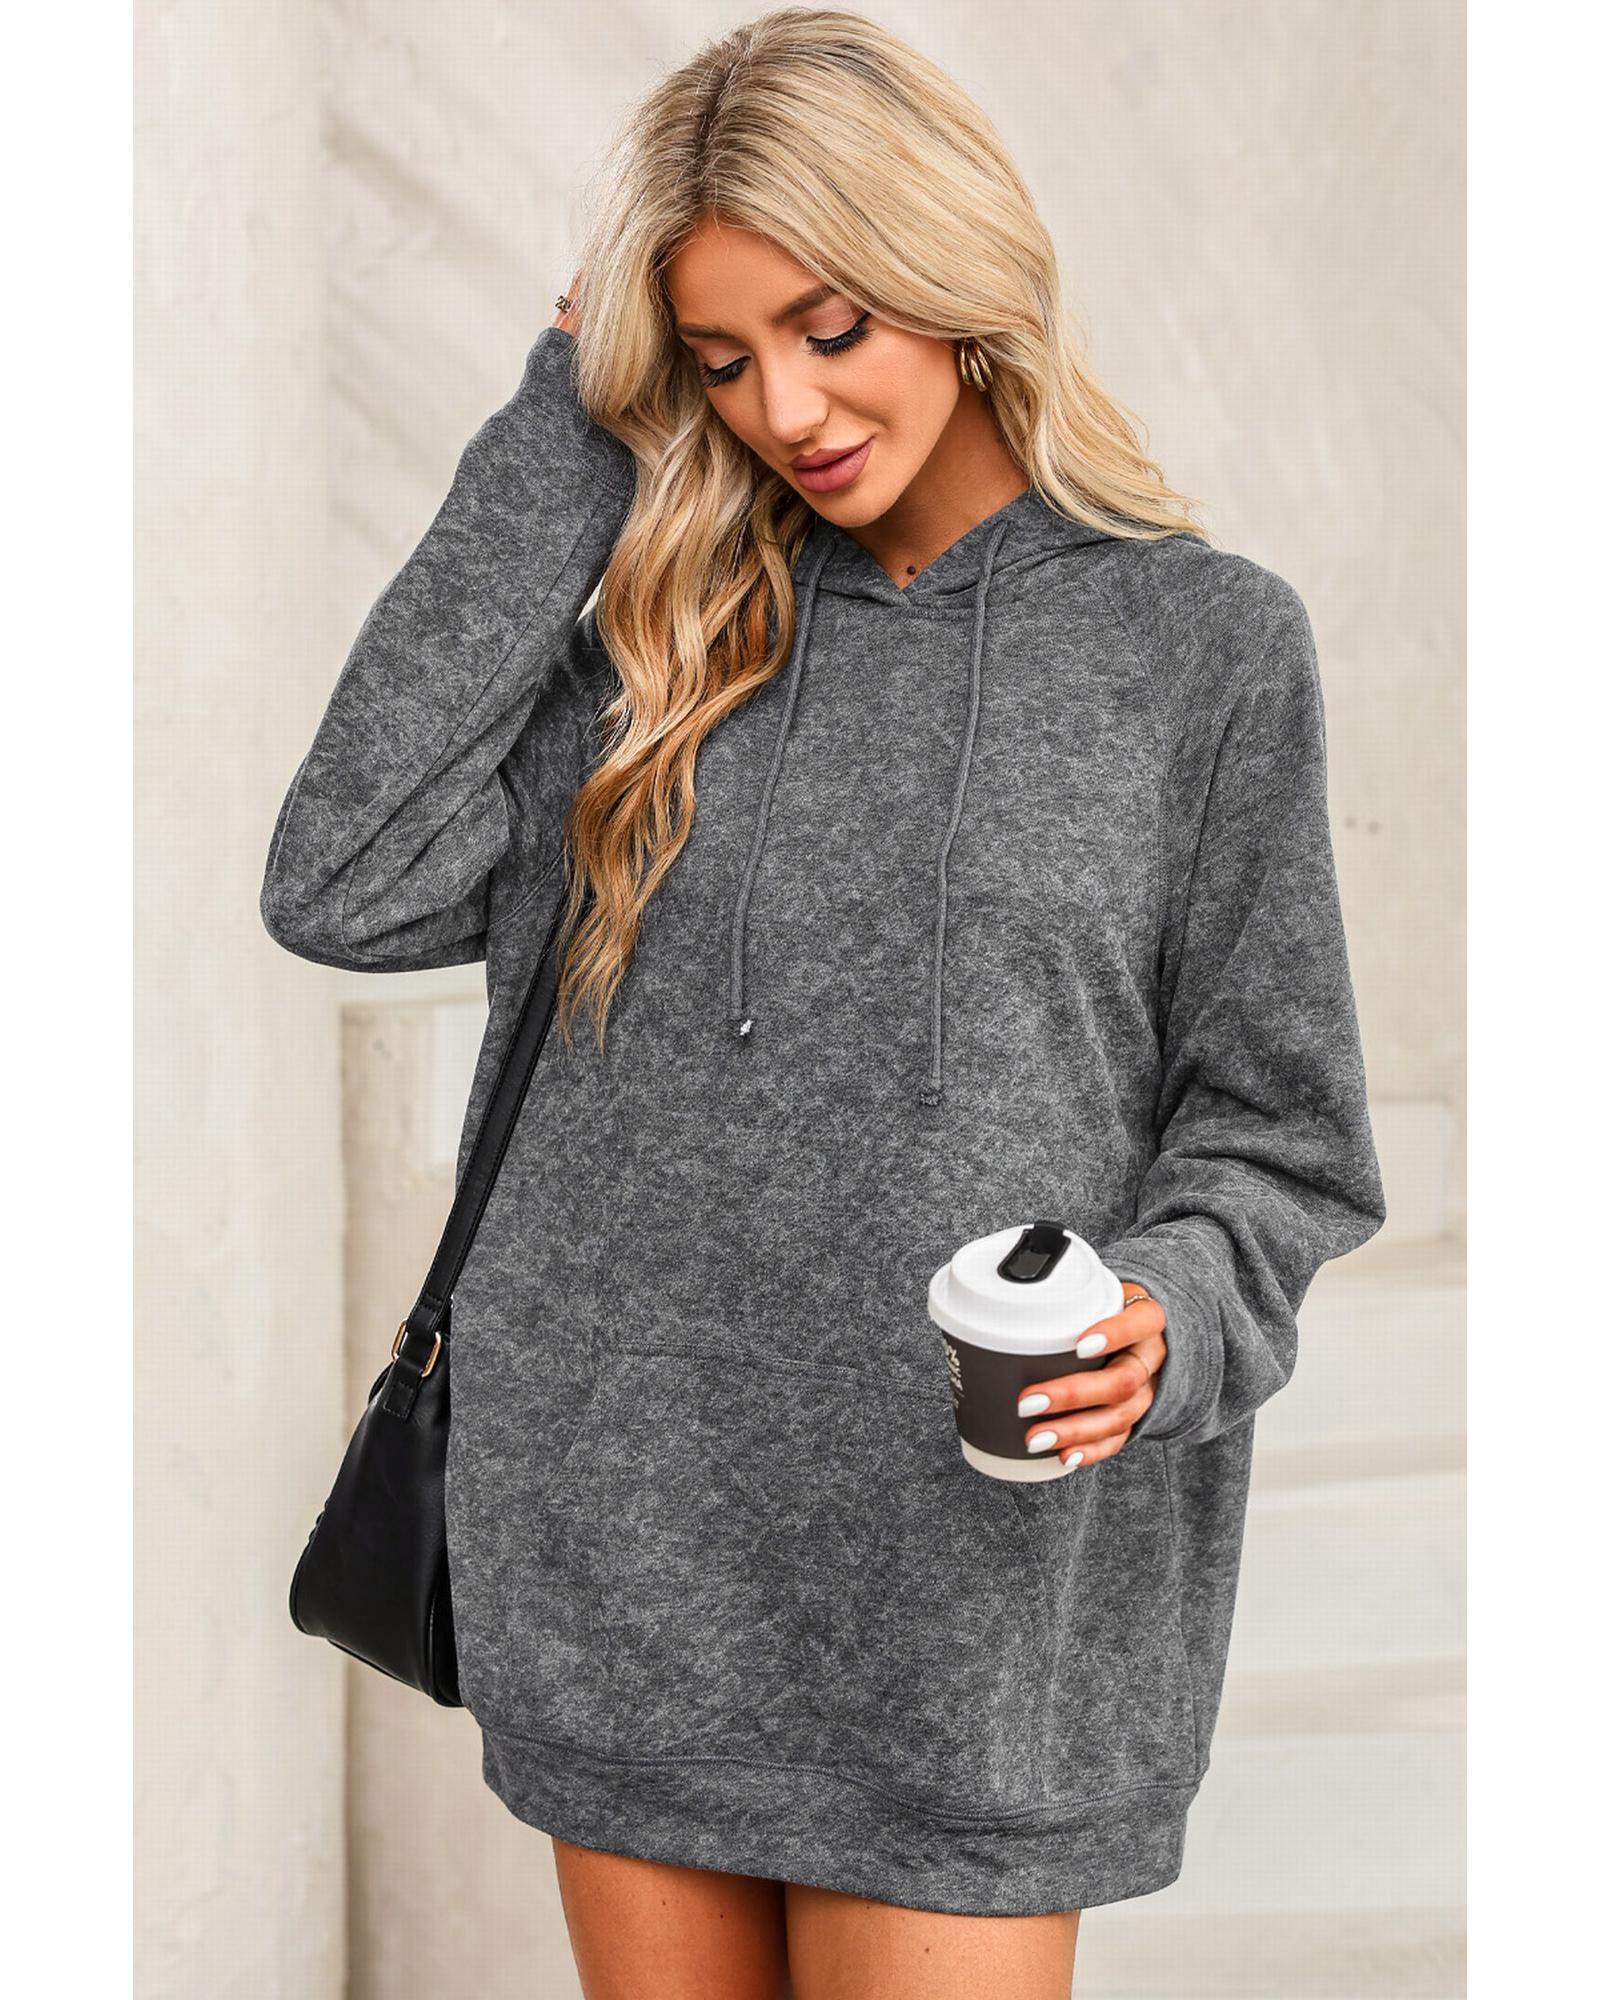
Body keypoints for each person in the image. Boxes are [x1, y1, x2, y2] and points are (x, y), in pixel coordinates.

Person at [258, 9, 1386, 1997]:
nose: (783, 405)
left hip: (974, 1585)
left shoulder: (1195, 649)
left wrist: (1167, 1312)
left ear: (952, 275)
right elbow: (340, 877)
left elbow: (1277, 1136)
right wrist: (567, 424)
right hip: (631, 1551)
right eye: (718, 358)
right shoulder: (651, 646)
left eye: (831, 325)